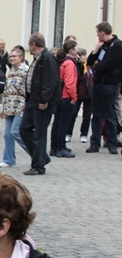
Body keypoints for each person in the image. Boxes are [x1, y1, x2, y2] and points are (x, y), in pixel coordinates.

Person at [19, 33, 60, 175]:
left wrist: (45, 100)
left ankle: (38, 166)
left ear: (34, 45)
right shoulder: (38, 59)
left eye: (29, 45)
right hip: (32, 101)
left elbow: (51, 81)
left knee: (39, 134)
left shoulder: (47, 58)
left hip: (41, 103)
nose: (28, 48)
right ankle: (41, 157)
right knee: (24, 130)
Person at [86, 21, 122, 155]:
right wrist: (96, 49)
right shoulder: (102, 46)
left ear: (102, 32)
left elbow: (110, 65)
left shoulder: (117, 46)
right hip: (98, 83)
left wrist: (97, 66)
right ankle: (95, 143)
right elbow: (89, 62)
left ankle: (111, 143)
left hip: (110, 84)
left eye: (97, 33)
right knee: (96, 114)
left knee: (109, 114)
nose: (97, 35)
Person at [0, 46, 29, 168]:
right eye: (10, 56)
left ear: (21, 57)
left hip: (20, 106)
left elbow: (28, 90)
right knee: (8, 134)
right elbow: (7, 90)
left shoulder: (26, 70)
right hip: (10, 107)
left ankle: (36, 154)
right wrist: (4, 108)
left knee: (15, 132)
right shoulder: (11, 71)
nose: (11, 58)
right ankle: (9, 159)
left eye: (14, 56)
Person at [49, 40, 78, 158]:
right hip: (66, 96)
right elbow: (69, 82)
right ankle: (60, 147)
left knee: (57, 122)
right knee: (63, 123)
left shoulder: (59, 61)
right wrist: (74, 96)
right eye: (75, 48)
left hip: (58, 95)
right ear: (71, 50)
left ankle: (54, 147)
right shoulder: (69, 64)